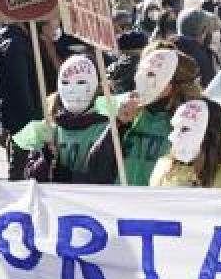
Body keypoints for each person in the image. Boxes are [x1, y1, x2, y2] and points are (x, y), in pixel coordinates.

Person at [88, 44, 207, 186]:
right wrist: (119, 124)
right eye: (141, 72)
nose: (141, 80)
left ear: (171, 86)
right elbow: (96, 167)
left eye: (151, 75)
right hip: (121, 203)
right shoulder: (131, 114)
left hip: (158, 204)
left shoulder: (190, 123)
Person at [13, 55, 114, 184]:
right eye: (66, 83)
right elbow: (30, 177)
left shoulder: (109, 128)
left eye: (81, 82)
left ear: (97, 86)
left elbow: (109, 178)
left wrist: (69, 177)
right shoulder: (48, 128)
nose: (72, 89)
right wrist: (45, 160)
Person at [0, 20, 57, 179]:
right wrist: (31, 124)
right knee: (23, 174)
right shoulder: (14, 44)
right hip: (25, 125)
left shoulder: (25, 40)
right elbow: (19, 89)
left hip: (28, 121)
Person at [150, 98, 221, 187]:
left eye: (185, 129)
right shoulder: (163, 168)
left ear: (209, 136)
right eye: (174, 128)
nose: (171, 137)